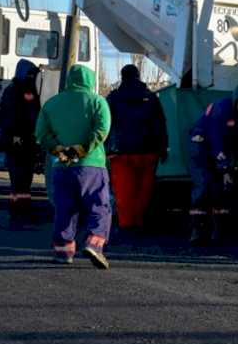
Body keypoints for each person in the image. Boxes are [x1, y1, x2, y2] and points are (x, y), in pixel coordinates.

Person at [35, 64, 112, 269]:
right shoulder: (98, 102)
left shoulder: (51, 104)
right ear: (90, 80)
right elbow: (102, 130)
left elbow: (41, 134)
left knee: (65, 209)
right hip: (91, 166)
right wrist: (82, 149)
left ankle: (63, 251)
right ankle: (95, 243)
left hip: (62, 166)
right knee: (99, 205)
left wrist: (61, 151)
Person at [187, 81, 238, 245]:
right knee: (203, 186)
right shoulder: (222, 109)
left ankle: (218, 231)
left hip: (217, 152)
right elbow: (216, 139)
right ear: (237, 100)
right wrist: (225, 168)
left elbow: (237, 142)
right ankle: (198, 230)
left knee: (220, 190)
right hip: (201, 149)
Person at [106, 64, 168, 235]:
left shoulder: (113, 98)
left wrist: (105, 149)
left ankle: (126, 224)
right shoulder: (151, 97)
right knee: (144, 189)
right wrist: (162, 148)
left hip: (120, 151)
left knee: (124, 190)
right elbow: (160, 125)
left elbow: (105, 124)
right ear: (139, 76)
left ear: (122, 76)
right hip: (148, 151)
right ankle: (139, 221)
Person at [0, 59, 41, 222]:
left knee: (19, 178)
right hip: (21, 140)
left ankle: (18, 208)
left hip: (15, 139)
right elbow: (28, 115)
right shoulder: (23, 91)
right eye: (31, 74)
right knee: (22, 177)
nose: (32, 77)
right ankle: (20, 209)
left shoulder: (11, 89)